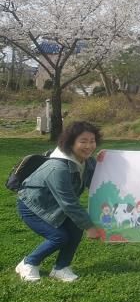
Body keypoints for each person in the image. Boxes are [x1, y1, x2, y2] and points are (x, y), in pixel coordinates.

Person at [15, 121, 101, 282]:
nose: (89, 146)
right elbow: (69, 203)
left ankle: (61, 268)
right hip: (32, 206)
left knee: (75, 229)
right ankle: (29, 263)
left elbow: (97, 183)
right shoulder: (58, 168)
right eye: (83, 141)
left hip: (56, 205)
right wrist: (90, 227)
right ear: (70, 143)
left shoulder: (87, 161)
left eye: (92, 141)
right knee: (59, 237)